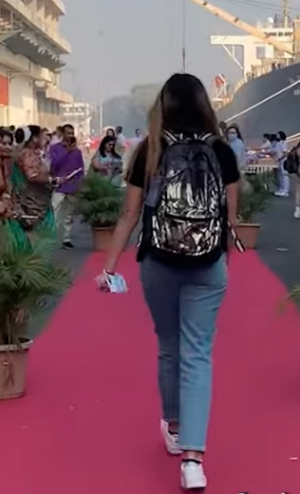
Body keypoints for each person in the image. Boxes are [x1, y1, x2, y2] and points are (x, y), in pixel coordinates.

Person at [99, 73, 240, 491]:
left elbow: (129, 215)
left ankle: (175, 428)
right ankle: (193, 461)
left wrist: (110, 266)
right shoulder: (221, 150)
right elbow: (230, 219)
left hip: (158, 261)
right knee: (199, 354)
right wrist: (217, 257)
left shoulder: (150, 150)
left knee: (168, 347)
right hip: (208, 264)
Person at [12, 125, 58, 231]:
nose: (45, 139)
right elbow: (32, 176)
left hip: (37, 200)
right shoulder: (28, 154)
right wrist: (54, 180)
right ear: (34, 139)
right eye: (42, 136)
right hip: (31, 203)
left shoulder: (33, 153)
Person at [49, 123, 84, 249]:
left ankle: (66, 239)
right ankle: (52, 238)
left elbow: (80, 169)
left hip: (72, 186)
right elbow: (53, 166)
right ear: (62, 134)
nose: (70, 136)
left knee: (69, 214)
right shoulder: (54, 148)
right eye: (68, 133)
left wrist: (80, 184)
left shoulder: (78, 152)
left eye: (72, 133)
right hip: (59, 185)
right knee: (55, 212)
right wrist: (66, 152)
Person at [272, 131, 289, 197]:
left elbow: (285, 153)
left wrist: (279, 158)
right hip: (279, 161)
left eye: (278, 135)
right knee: (280, 176)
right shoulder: (278, 143)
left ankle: (285, 191)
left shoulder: (283, 143)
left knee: (284, 176)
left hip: (283, 161)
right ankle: (281, 189)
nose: (277, 136)